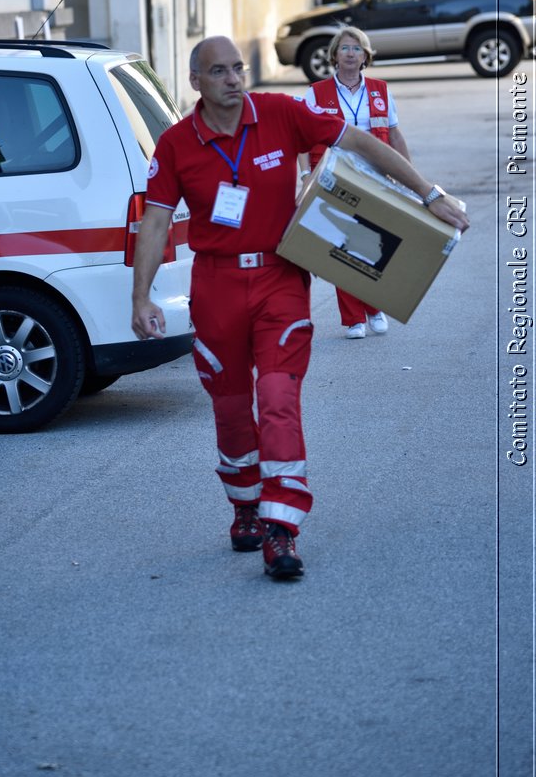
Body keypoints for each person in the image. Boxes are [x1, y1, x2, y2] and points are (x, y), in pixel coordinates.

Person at [131, 35, 469, 581]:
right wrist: (140, 295)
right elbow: (155, 222)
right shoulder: (174, 145)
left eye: (238, 68)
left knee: (279, 396)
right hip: (215, 287)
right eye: (219, 71)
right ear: (195, 81)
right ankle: (244, 504)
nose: (234, 79)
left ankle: (281, 526)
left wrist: (430, 195)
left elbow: (360, 142)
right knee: (232, 406)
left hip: (279, 277)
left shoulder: (282, 113)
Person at [298, 25, 411, 339]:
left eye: (357, 48)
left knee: (374, 243)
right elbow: (302, 140)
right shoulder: (316, 92)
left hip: (375, 178)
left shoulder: (380, 90)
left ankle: (374, 308)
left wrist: (408, 176)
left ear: (365, 56)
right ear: (334, 55)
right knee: (343, 244)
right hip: (334, 178)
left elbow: (396, 134)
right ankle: (353, 319)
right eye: (345, 48)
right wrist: (306, 176)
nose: (350, 54)